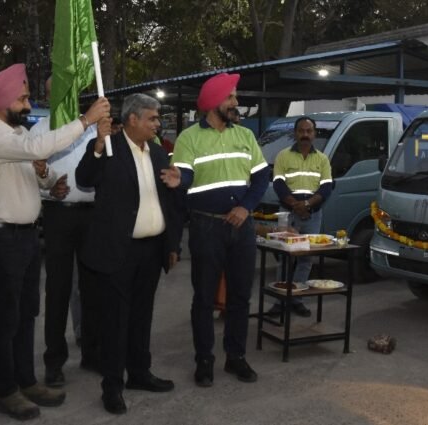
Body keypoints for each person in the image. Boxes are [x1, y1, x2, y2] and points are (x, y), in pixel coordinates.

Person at [0, 63, 110, 421]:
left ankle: (26, 381)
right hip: (1, 237)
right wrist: (86, 120)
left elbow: (33, 175)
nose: (29, 105)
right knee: (6, 317)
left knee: (27, 313)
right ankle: (6, 391)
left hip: (27, 235)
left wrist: (50, 182)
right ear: (3, 101)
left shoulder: (17, 135)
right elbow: (37, 147)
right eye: (23, 99)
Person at [76, 93, 183, 414]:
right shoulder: (109, 147)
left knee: (142, 316)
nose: (157, 124)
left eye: (157, 118)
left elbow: (170, 202)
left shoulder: (159, 153)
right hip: (118, 251)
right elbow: (84, 179)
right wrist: (97, 146)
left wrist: (172, 244)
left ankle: (139, 373)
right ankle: (112, 386)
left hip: (152, 250)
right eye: (152, 118)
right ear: (132, 119)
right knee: (116, 321)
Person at [172, 72, 270, 386]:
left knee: (240, 296)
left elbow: (261, 177)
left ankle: (235, 357)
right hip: (206, 227)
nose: (235, 102)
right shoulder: (189, 138)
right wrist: (179, 180)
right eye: (230, 96)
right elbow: (185, 177)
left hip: (242, 226)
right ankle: (204, 360)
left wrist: (246, 207)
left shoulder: (245, 136)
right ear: (214, 101)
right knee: (203, 297)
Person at [30, 78, 101, 389]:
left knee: (93, 287)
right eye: (54, 92)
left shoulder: (95, 128)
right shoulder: (40, 131)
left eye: (67, 90)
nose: (61, 96)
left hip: (93, 216)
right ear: (47, 97)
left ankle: (93, 353)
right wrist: (49, 191)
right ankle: (54, 362)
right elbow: (28, 176)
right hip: (58, 215)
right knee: (58, 290)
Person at [269, 116, 333, 317]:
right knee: (285, 258)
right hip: (289, 214)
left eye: (309, 131)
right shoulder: (283, 156)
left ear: (314, 134)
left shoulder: (322, 159)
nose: (305, 134)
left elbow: (326, 187)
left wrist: (306, 205)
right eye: (301, 131)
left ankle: (297, 299)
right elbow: (279, 184)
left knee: (305, 259)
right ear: (295, 133)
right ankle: (280, 300)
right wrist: (296, 205)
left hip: (313, 214)